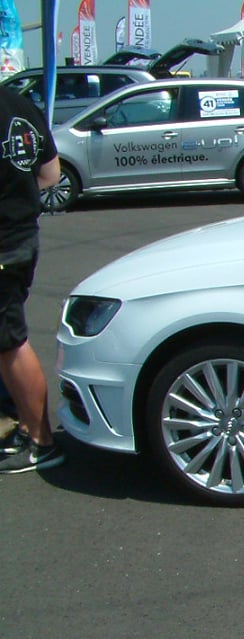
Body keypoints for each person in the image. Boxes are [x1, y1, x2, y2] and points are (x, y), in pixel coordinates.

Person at [0, 83, 65, 473]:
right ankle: (15, 419)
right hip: (22, 234)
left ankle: (40, 440)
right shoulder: (20, 104)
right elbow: (51, 173)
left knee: (9, 342)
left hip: (4, 244)